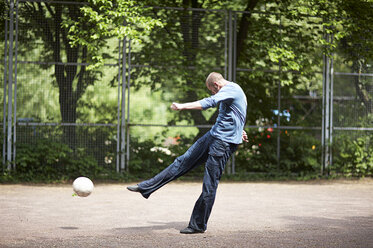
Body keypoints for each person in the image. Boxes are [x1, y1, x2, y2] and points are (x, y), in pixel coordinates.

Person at [127, 72, 248, 234]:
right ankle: (146, 187)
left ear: (216, 86)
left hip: (222, 144)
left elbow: (209, 102)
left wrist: (183, 106)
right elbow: (234, 113)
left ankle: (198, 225)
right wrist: (240, 130)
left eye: (212, 90)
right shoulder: (232, 92)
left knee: (209, 185)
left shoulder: (231, 89)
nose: (213, 93)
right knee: (181, 161)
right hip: (213, 136)